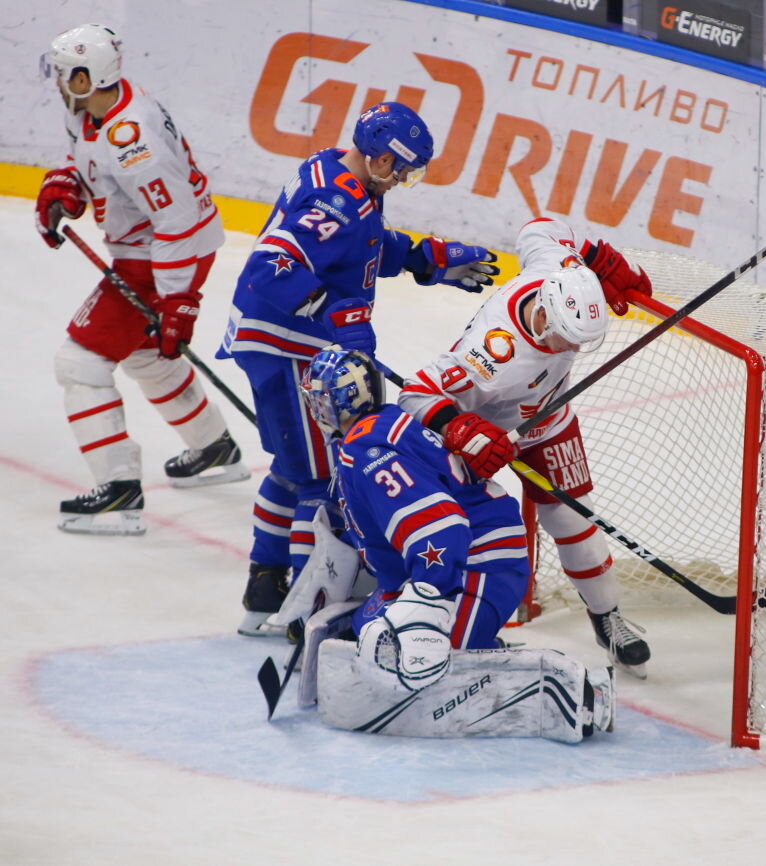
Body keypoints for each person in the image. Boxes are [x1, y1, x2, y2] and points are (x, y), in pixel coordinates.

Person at [218, 101, 500, 636]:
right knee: (321, 479)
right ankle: (304, 610)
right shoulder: (336, 198)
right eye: (397, 166)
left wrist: (425, 258)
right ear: (373, 153)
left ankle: (264, 585)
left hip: (286, 343)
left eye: (409, 172)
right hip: (287, 347)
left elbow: (361, 247)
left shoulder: (346, 182)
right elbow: (269, 268)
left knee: (292, 465)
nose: (400, 179)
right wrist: (336, 316)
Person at [291, 344, 614, 742]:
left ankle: (568, 689)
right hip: (451, 562)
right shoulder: (375, 430)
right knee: (373, 637)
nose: (315, 412)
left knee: (419, 667)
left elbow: (440, 528)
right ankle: (467, 637)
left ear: (337, 403)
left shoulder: (366, 449)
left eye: (318, 402)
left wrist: (427, 602)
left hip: (477, 565)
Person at [398, 216, 655, 677]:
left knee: (573, 517)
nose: (571, 350)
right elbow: (416, 392)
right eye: (566, 337)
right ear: (543, 316)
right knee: (450, 527)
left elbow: (541, 226)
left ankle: (607, 617)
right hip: (480, 434)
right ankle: (423, 614)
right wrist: (464, 433)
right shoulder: (494, 356)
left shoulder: (556, 271)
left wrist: (597, 258)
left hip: (547, 420)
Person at [36, 23, 249, 536]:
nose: (60, 82)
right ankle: (213, 446)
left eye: (69, 74)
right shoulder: (92, 112)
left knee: (80, 361)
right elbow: (88, 162)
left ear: (90, 76)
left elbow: (177, 221)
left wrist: (179, 301)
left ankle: (119, 490)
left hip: (160, 256)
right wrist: (68, 187)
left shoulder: (134, 138)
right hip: (148, 250)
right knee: (145, 353)